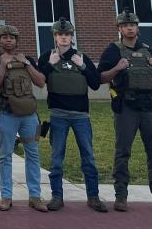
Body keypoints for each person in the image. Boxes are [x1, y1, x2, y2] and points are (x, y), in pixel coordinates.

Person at [98, 10, 152, 213]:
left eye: (132, 24)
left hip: (149, 108)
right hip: (126, 109)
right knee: (123, 152)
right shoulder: (113, 50)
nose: (129, 28)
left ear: (137, 27)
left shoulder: (149, 50)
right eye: (125, 25)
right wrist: (117, 68)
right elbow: (100, 78)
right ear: (119, 29)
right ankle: (121, 196)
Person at [37, 18, 107, 212]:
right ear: (55, 37)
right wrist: (50, 65)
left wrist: (83, 67)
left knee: (88, 157)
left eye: (67, 34)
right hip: (58, 114)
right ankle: (56, 196)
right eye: (60, 35)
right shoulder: (47, 57)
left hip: (80, 115)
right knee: (57, 158)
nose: (64, 38)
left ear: (72, 37)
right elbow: (39, 81)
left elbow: (95, 83)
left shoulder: (81, 57)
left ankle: (93, 196)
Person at [0, 24, 47, 212]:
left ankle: (35, 196)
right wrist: (4, 65)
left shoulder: (27, 59)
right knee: (5, 155)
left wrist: (27, 64)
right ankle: (6, 196)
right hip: (7, 114)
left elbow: (41, 82)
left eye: (12, 37)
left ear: (17, 40)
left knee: (33, 154)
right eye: (4, 37)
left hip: (29, 116)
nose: (8, 40)